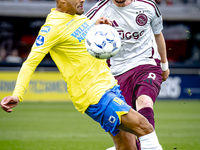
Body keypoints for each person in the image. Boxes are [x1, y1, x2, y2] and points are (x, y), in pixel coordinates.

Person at [0, 0, 163, 150]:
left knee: (128, 148)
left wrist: (98, 27)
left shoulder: (80, 18)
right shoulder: (52, 28)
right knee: (145, 128)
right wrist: (18, 94)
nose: (83, 0)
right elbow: (30, 63)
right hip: (94, 95)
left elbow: (82, 42)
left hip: (111, 86)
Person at [85, 0, 170, 149]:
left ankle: (151, 147)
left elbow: (158, 35)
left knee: (144, 102)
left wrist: (164, 65)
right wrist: (95, 27)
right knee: (129, 138)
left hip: (146, 64)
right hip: (117, 74)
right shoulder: (99, 10)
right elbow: (78, 33)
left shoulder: (148, 6)